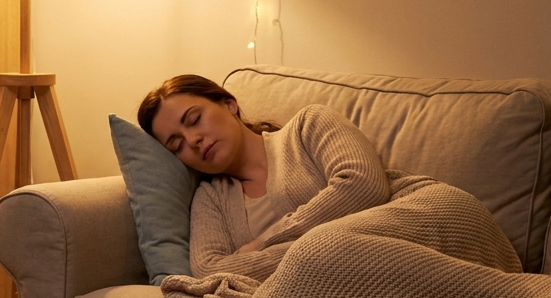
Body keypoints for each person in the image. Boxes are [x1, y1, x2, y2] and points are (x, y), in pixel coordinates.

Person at [137, 74, 393, 282]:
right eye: (176, 145)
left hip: (386, 260)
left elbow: (364, 185)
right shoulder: (210, 198)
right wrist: (309, 254)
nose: (192, 141)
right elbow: (210, 272)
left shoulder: (308, 126)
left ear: (229, 104)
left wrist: (261, 244)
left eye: (194, 120)